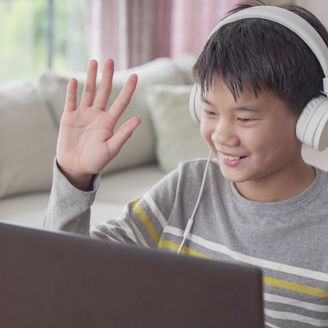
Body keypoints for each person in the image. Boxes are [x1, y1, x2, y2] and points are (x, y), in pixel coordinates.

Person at [44, 0, 328, 327]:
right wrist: (74, 175)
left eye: (245, 118)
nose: (221, 135)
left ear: (312, 118)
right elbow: (70, 276)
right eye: (209, 112)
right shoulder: (187, 188)